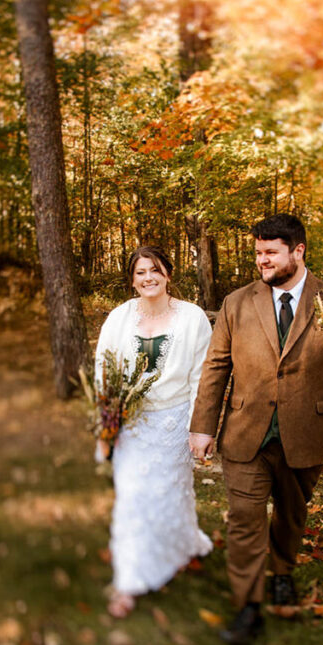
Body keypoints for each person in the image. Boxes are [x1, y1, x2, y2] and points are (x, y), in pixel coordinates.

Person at [189, 213, 323, 645]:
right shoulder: (237, 303)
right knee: (244, 519)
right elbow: (216, 366)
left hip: (306, 432)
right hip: (245, 432)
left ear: (298, 251)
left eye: (270, 252)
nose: (262, 260)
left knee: (291, 515)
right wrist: (202, 426)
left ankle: (282, 572)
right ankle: (249, 608)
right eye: (257, 253)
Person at [94, 246, 214, 618]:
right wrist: (107, 423)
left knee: (170, 493)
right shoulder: (118, 318)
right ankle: (129, 580)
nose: (148, 278)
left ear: (168, 274)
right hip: (131, 424)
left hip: (174, 421)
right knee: (131, 497)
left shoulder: (193, 318)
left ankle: (178, 545)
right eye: (140, 272)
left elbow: (202, 377)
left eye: (155, 270)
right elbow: (104, 369)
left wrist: (200, 428)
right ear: (132, 279)